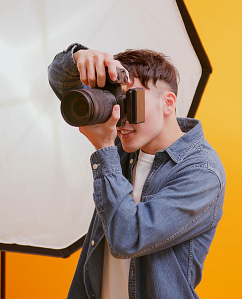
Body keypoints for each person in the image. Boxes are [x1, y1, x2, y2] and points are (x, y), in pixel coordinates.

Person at [48, 43, 225, 299]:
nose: (120, 117)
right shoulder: (127, 148)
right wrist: (78, 58)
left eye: (130, 99)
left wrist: (105, 150)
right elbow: (60, 81)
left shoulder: (202, 172)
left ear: (168, 103)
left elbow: (128, 236)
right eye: (114, 101)